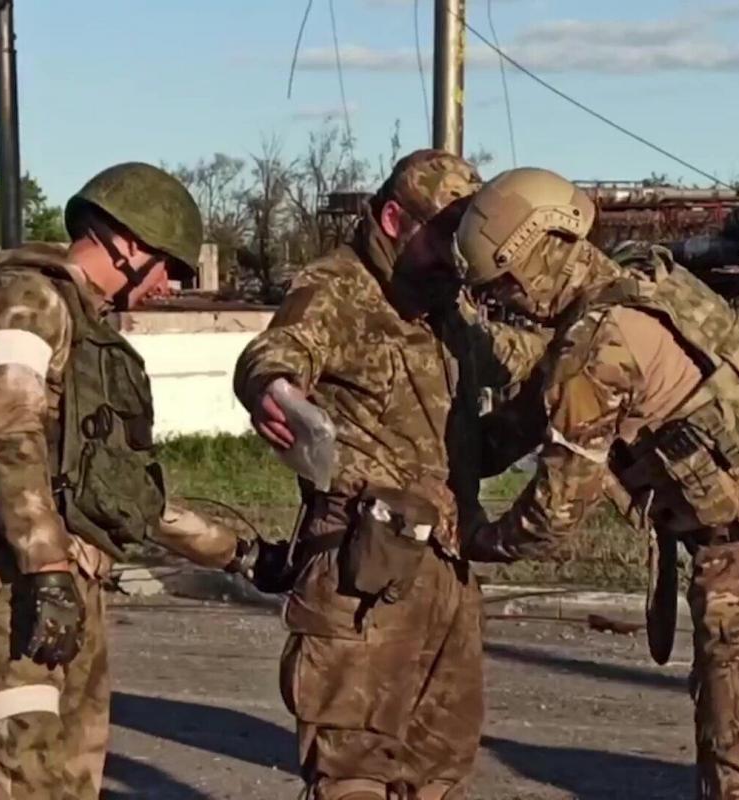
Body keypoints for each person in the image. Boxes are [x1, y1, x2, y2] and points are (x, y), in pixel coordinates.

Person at [454, 167, 739, 799]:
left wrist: (469, 535)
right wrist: (451, 455)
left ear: (535, 252)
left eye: (504, 283)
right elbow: (524, 418)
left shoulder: (597, 346)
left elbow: (554, 515)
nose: (509, 301)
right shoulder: (643, 282)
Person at [0, 162, 252, 799]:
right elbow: (7, 438)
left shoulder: (85, 332)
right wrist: (47, 570)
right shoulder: (24, 302)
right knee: (29, 780)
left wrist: (235, 552)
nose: (171, 285)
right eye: (169, 266)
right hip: (6, 587)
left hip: (63, 585)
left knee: (69, 783)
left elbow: (119, 494)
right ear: (129, 244)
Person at [234, 149, 546, 800]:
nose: (457, 254)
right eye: (444, 233)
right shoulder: (338, 288)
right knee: (353, 774)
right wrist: (274, 391)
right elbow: (276, 353)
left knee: (439, 772)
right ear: (394, 219)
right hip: (363, 572)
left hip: (447, 569)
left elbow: (515, 369)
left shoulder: (450, 310)